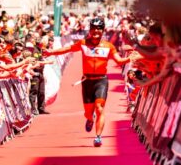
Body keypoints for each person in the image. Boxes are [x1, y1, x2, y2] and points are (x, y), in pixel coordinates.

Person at [43, 17, 132, 147]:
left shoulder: (109, 46)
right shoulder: (83, 43)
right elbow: (68, 49)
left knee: (99, 108)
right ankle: (90, 119)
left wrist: (131, 58)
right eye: (94, 28)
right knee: (88, 112)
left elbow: (119, 61)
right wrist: (51, 51)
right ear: (90, 30)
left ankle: (98, 137)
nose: (96, 31)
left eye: (99, 29)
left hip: (101, 81)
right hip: (87, 81)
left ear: (102, 31)